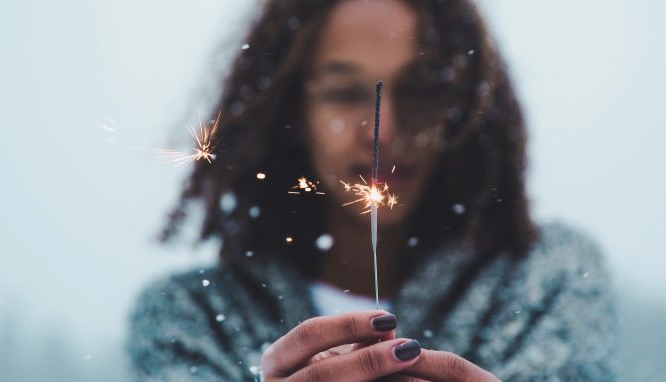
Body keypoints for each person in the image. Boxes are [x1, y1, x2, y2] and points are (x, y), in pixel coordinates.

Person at [128, 0, 615, 380]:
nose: (382, 133)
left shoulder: (547, 277)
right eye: (344, 93)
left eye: (418, 90)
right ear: (292, 114)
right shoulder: (191, 318)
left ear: (461, 108)